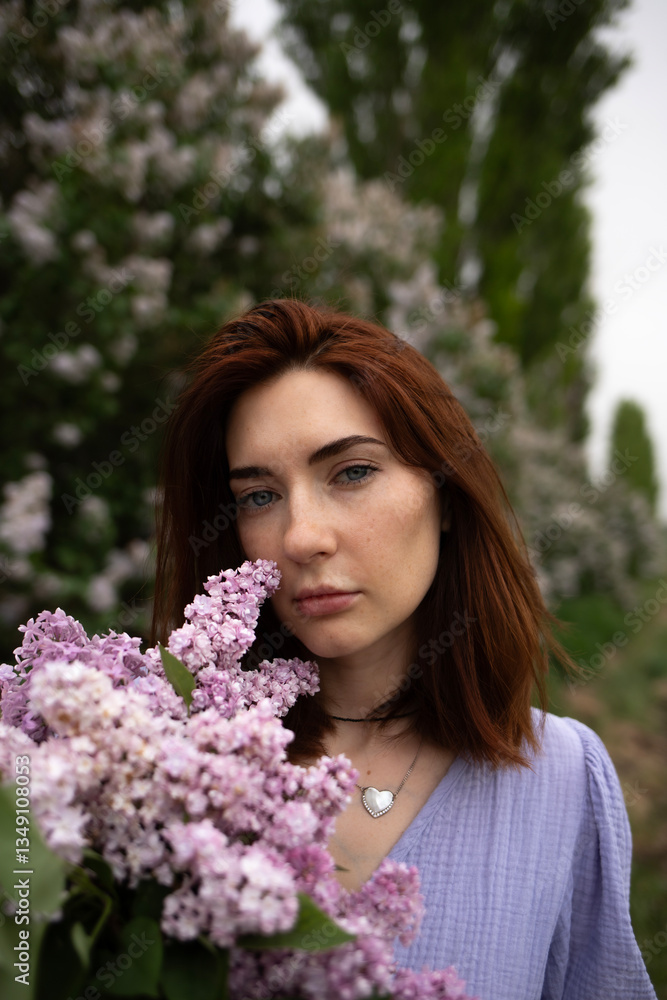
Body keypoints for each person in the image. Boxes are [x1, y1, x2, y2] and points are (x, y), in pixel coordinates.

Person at [151, 298, 657, 1000]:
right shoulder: (162, 768)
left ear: (444, 494)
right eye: (259, 496)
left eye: (351, 472)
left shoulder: (563, 782)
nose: (301, 537)